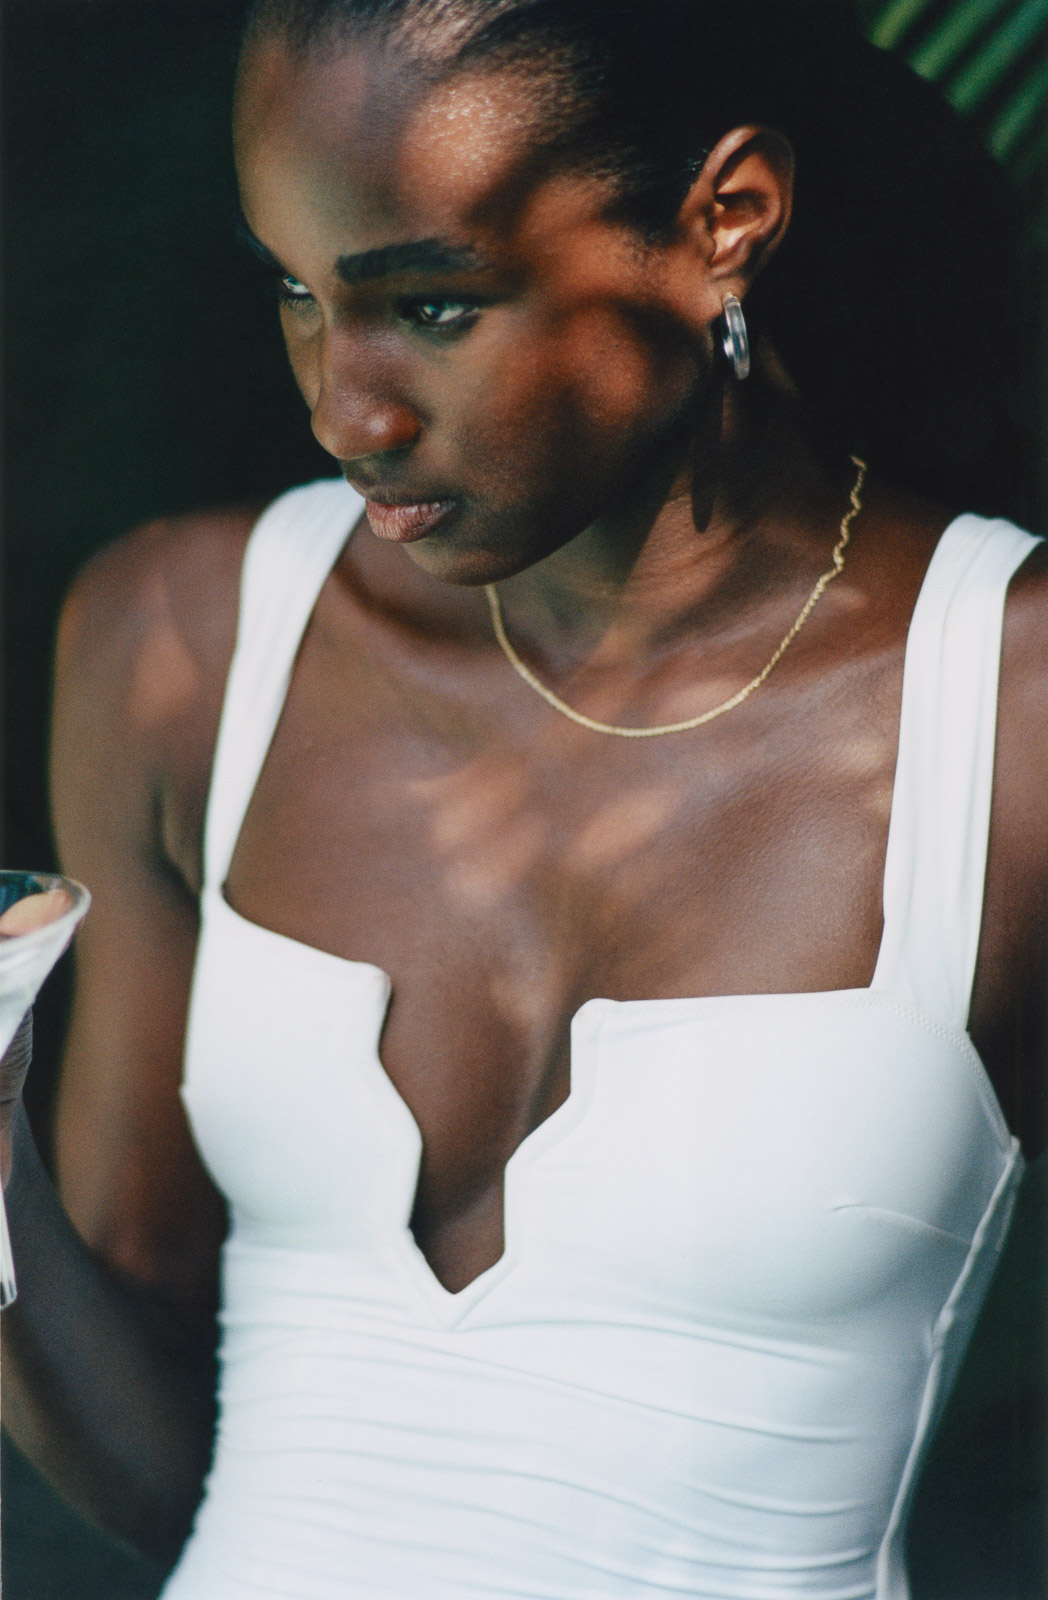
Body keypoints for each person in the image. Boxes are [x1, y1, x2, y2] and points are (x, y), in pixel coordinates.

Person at [2, 1, 1045, 1595]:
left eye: (432, 305)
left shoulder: (1007, 714)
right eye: (295, 290)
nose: (345, 412)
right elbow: (177, 1482)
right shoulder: (184, 646)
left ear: (723, 221)